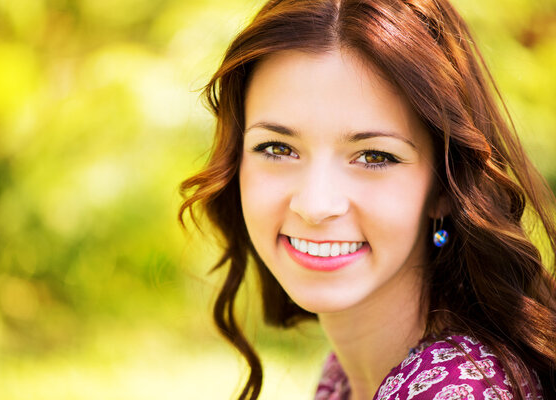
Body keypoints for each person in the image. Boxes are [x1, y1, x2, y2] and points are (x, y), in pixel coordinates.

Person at [179, 0, 556, 399]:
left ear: (445, 187)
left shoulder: (456, 389)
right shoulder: (350, 369)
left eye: (375, 156)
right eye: (277, 148)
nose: (315, 204)